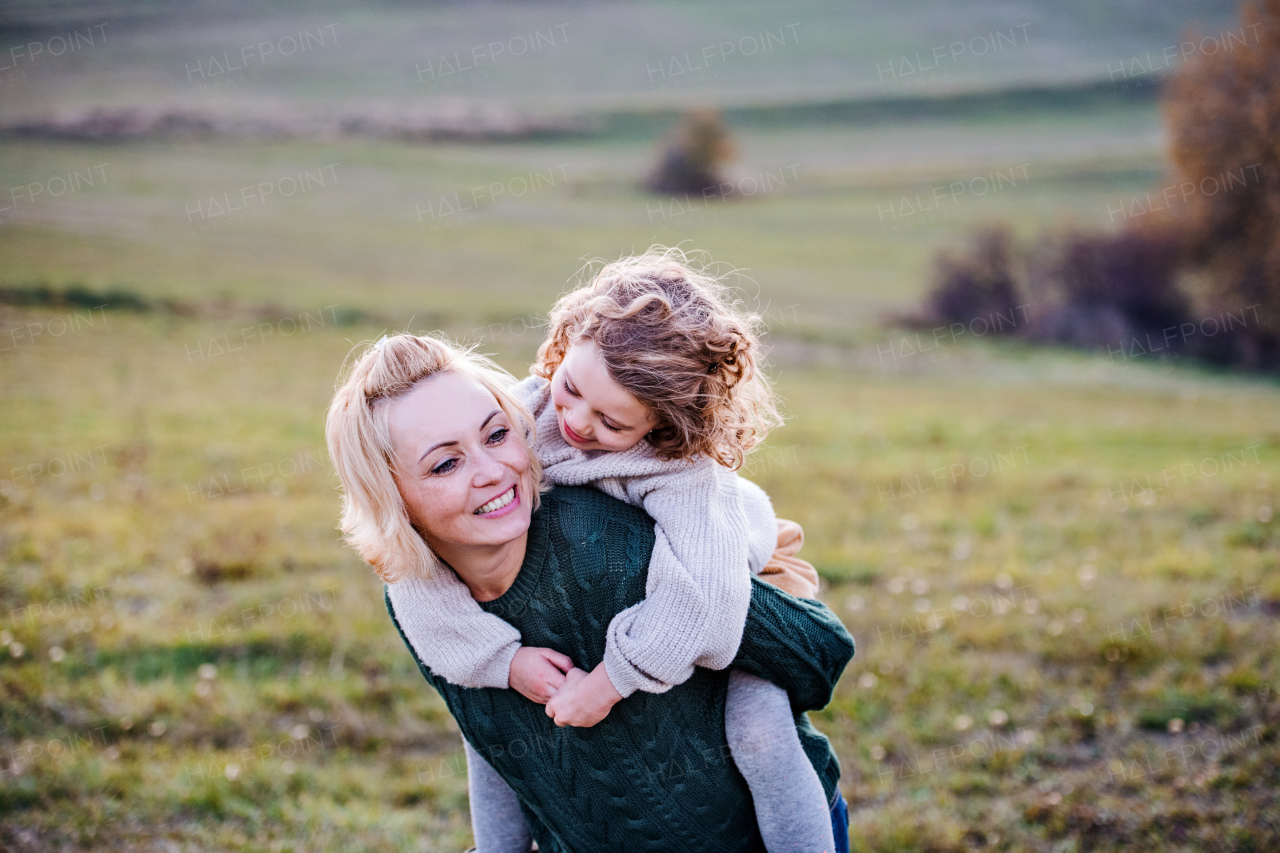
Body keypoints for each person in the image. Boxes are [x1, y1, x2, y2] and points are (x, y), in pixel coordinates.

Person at [325, 332, 855, 851]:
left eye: (495, 435)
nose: (493, 472)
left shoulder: (604, 543)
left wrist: (618, 675)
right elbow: (489, 742)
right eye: (445, 463)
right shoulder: (423, 602)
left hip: (754, 831)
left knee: (761, 730)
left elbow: (820, 651)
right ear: (389, 498)